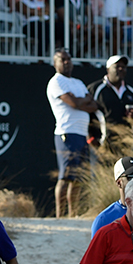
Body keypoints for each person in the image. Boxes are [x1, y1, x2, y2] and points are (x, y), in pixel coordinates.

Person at [46, 47, 98, 217]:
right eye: (63, 59)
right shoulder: (56, 81)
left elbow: (93, 104)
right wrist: (80, 102)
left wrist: (79, 102)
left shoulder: (78, 82)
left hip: (82, 134)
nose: (67, 62)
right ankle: (60, 216)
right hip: (67, 133)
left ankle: (72, 214)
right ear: (55, 63)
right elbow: (74, 103)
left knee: (77, 178)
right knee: (65, 176)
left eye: (69, 59)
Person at [86, 54, 133, 146]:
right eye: (117, 66)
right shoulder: (95, 89)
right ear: (108, 69)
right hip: (102, 144)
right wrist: (90, 139)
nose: (121, 69)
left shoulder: (131, 92)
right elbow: (85, 115)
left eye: (123, 67)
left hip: (126, 145)